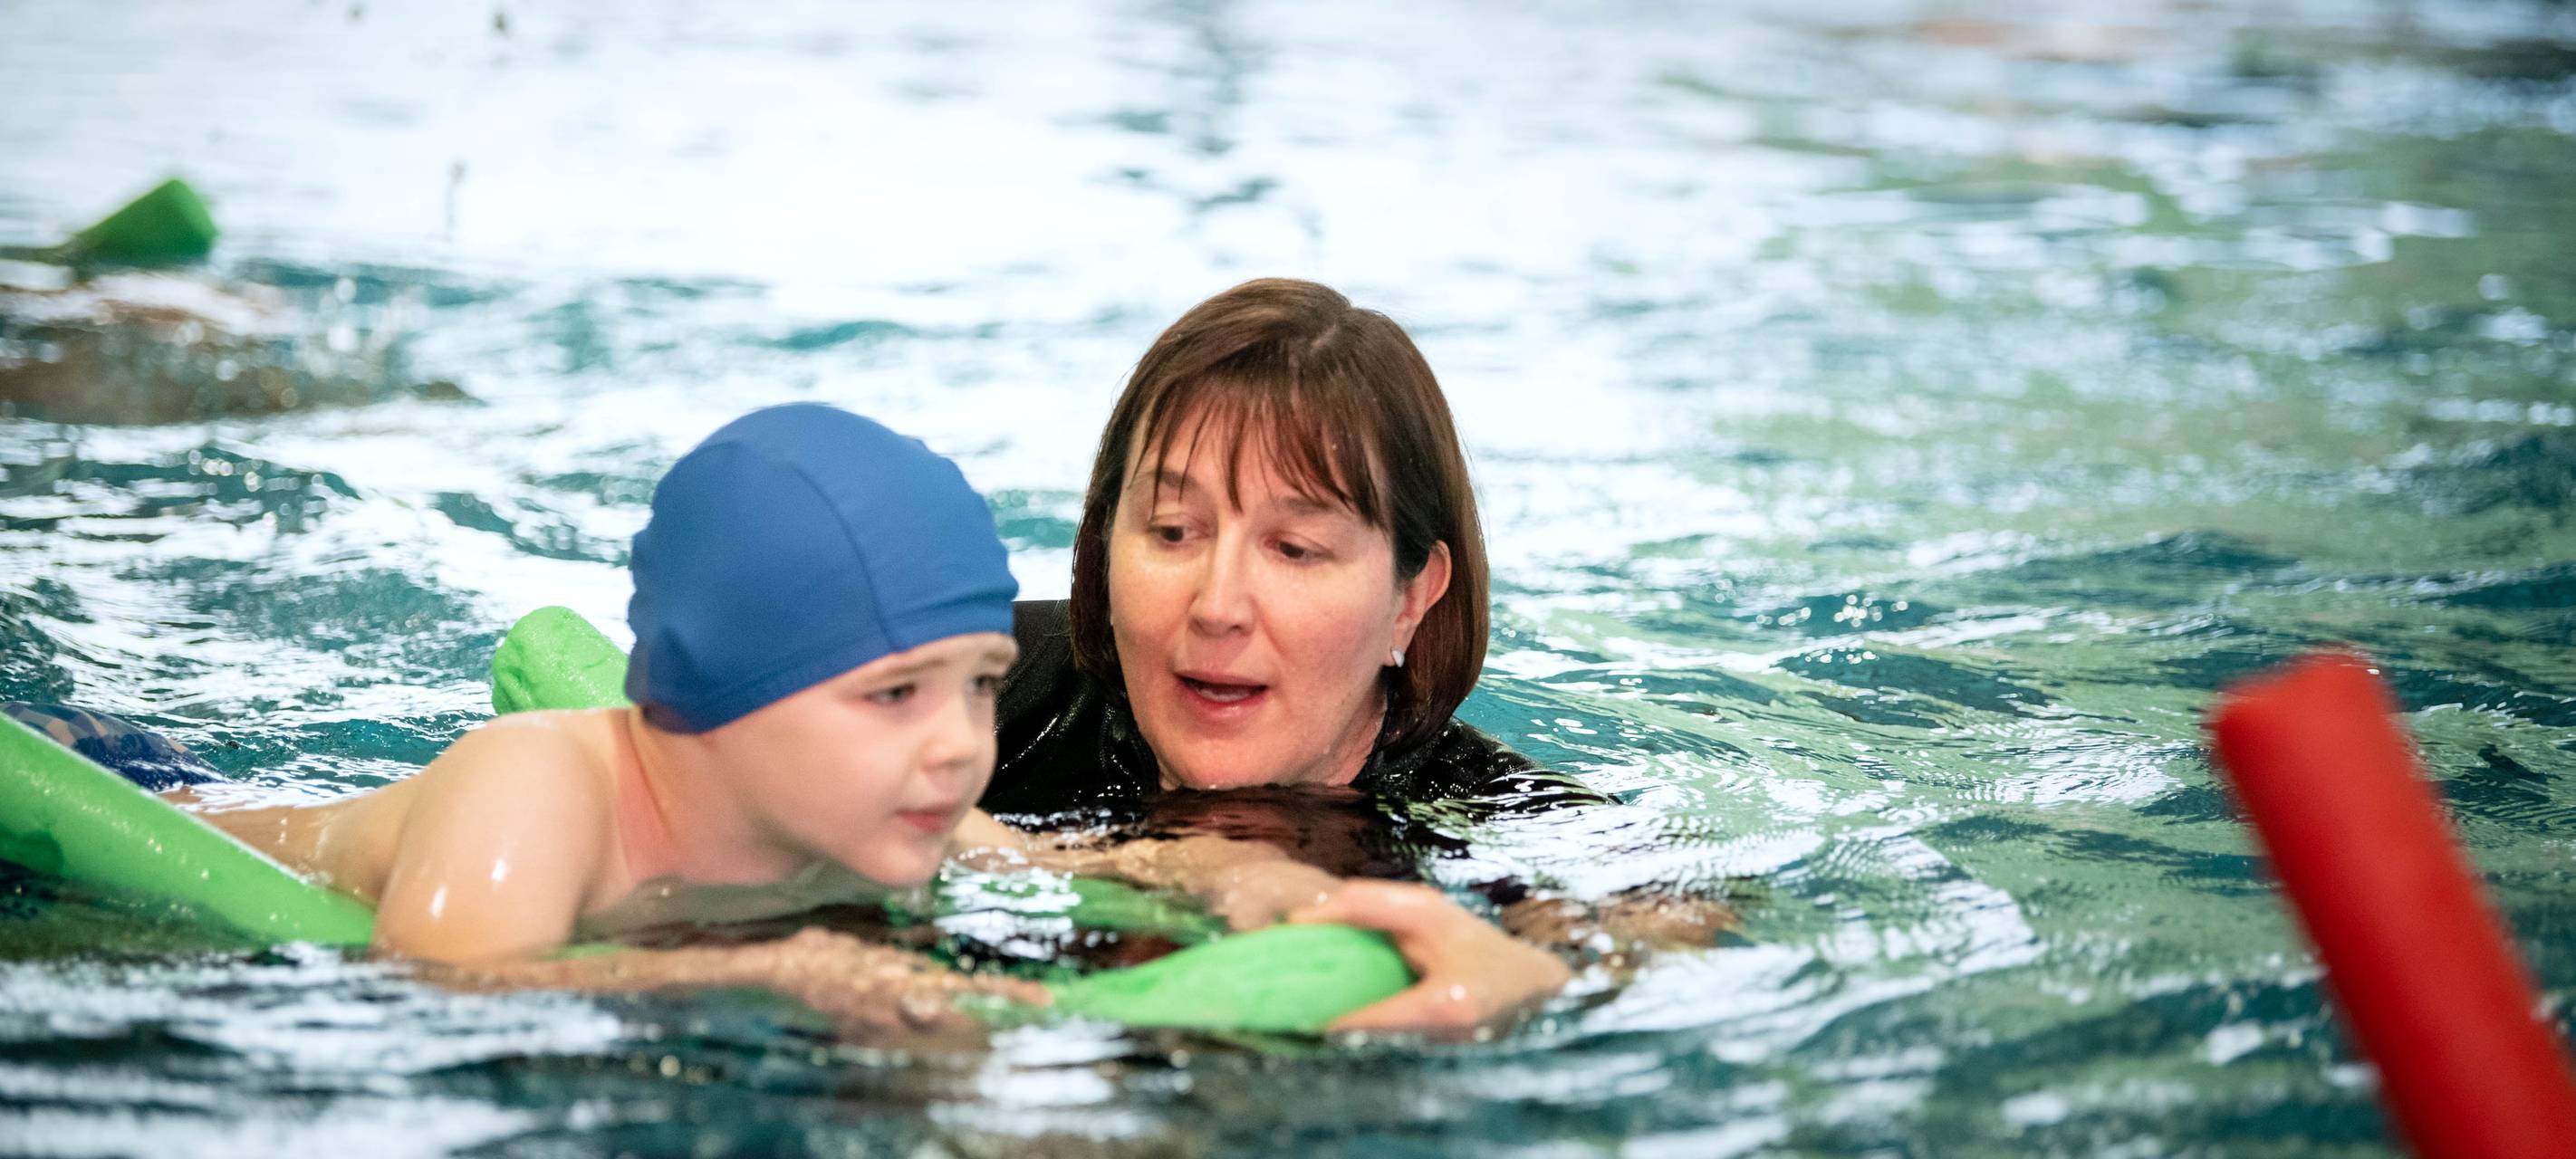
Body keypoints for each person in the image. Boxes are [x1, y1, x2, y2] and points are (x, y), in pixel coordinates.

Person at [973, 279, 1736, 992]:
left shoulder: (1488, 822)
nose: (1217, 605)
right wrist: (1173, 868)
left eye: (1295, 549)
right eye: (1173, 532)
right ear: (1106, 542)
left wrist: (1541, 980)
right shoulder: (971, 689)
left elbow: (1671, 932)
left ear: (1412, 598)